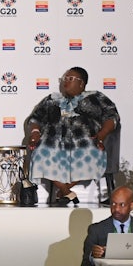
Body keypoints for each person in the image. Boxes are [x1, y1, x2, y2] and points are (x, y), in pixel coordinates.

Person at [28, 67, 119, 206]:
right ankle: (66, 191)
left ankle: (63, 192)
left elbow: (112, 117)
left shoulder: (96, 98)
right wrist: (35, 132)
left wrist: (102, 135)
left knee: (92, 153)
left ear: (81, 83)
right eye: (64, 78)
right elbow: (35, 118)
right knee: (40, 153)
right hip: (52, 142)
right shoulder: (52, 99)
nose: (65, 81)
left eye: (70, 79)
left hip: (85, 142)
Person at [80, 186, 133, 266]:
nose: (116, 209)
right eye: (113, 204)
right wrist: (92, 257)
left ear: (132, 206)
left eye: (121, 205)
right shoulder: (96, 230)